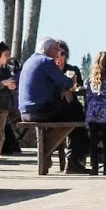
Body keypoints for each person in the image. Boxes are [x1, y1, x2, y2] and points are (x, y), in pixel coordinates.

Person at [19, 36, 87, 171]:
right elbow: (67, 82)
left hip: (25, 111)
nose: (58, 53)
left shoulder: (30, 61)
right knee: (77, 112)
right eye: (57, 50)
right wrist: (70, 82)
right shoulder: (47, 61)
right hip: (40, 110)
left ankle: (49, 157)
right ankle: (74, 161)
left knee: (70, 111)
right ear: (48, 49)